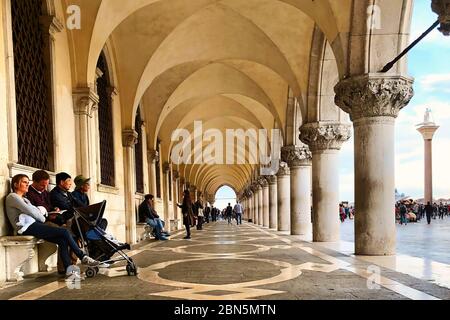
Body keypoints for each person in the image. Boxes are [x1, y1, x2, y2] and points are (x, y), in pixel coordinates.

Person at [6, 174, 99, 279]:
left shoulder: (25, 199)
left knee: (62, 241)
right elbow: (35, 213)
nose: (27, 184)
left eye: (28, 182)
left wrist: (39, 212)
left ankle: (70, 272)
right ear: (15, 184)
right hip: (25, 227)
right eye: (24, 182)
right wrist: (40, 214)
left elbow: (36, 211)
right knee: (64, 232)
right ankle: (82, 256)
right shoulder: (13, 197)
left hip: (33, 224)